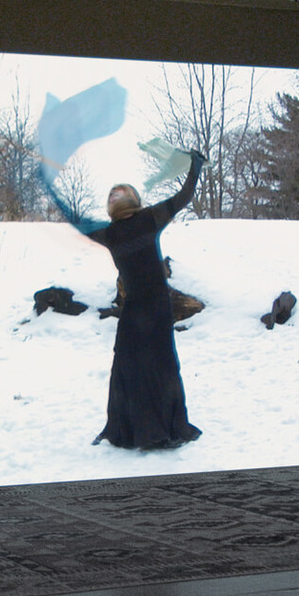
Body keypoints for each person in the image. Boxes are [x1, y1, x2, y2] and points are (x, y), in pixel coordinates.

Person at [84, 150, 206, 449]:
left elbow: (183, 197)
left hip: (157, 307)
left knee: (161, 367)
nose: (115, 194)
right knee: (124, 367)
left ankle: (161, 431)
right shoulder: (109, 233)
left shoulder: (150, 218)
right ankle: (121, 430)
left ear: (133, 197)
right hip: (133, 309)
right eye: (111, 193)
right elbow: (75, 223)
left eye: (120, 190)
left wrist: (195, 166)